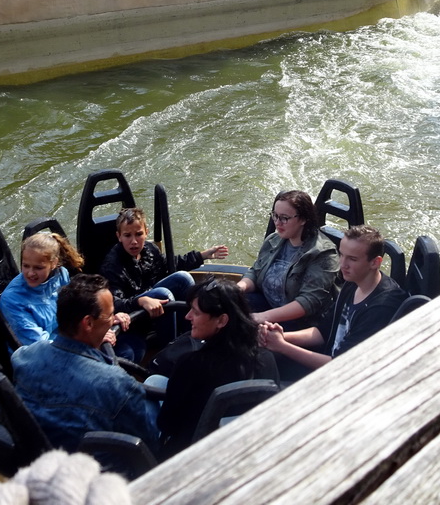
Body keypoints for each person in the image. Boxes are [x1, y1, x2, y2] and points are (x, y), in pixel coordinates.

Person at [11, 274, 159, 453]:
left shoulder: (24, 356)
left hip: (41, 456)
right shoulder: (118, 384)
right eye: (111, 314)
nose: (113, 321)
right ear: (88, 323)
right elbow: (149, 446)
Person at [259, 225, 408, 380]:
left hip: (340, 378)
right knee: (258, 352)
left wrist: (281, 346)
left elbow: (342, 365)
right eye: (342, 255)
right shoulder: (353, 282)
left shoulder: (381, 307)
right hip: (327, 357)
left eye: (352, 259)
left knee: (264, 362)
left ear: (375, 263)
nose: (342, 264)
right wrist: (277, 337)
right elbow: (323, 332)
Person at [157, 279, 279, 457]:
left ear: (221, 320)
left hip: (191, 455)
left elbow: (167, 424)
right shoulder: (266, 359)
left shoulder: (190, 365)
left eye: (196, 312)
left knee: (154, 382)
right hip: (244, 452)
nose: (187, 316)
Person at [100, 207, 228, 354]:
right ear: (119, 236)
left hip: (155, 306)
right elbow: (114, 303)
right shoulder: (112, 265)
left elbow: (172, 264)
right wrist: (140, 301)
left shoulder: (149, 250)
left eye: (139, 234)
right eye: (127, 235)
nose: (134, 241)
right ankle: (170, 349)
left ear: (146, 232)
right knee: (162, 293)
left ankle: (192, 336)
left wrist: (203, 255)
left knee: (183, 278)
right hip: (134, 315)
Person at [237, 190, 339, 329]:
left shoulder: (323, 254)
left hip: (300, 322)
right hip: (269, 305)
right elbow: (255, 272)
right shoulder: (274, 240)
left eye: (284, 218)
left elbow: (308, 302)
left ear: (303, 219)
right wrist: (239, 288)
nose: (278, 223)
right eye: (275, 216)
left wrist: (263, 317)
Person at [0, 232, 87, 346]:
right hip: (38, 355)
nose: (30, 273)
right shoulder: (12, 300)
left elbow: (74, 310)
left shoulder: (61, 275)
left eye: (38, 267)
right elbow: (38, 344)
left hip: (66, 339)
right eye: (26, 266)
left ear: (54, 263)